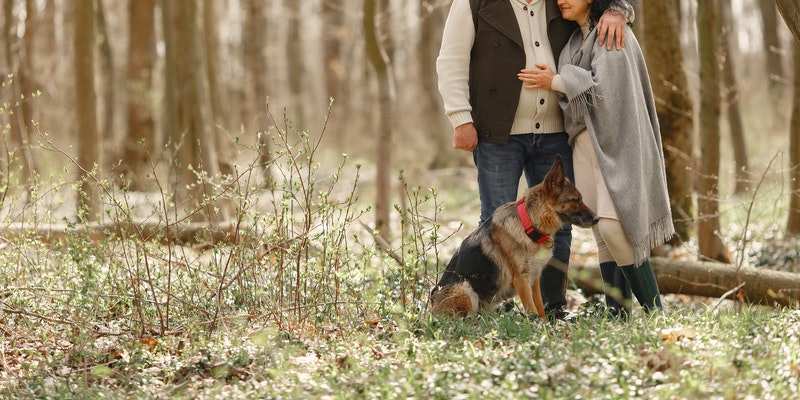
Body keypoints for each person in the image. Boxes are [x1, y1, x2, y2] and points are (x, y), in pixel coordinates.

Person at [436, 0, 634, 319]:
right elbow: (451, 60)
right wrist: (460, 117)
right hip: (497, 132)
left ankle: (553, 307)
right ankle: (502, 305)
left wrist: (618, 11)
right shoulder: (474, 3)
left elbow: (598, 5)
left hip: (557, 129)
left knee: (561, 221)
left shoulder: (559, 1)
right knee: (495, 220)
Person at [522, 0, 674, 316]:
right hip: (584, 143)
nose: (562, 0)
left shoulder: (611, 32)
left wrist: (555, 81)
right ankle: (618, 313)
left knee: (613, 228)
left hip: (618, 145)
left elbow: (605, 93)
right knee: (599, 229)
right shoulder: (575, 41)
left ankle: (655, 310)